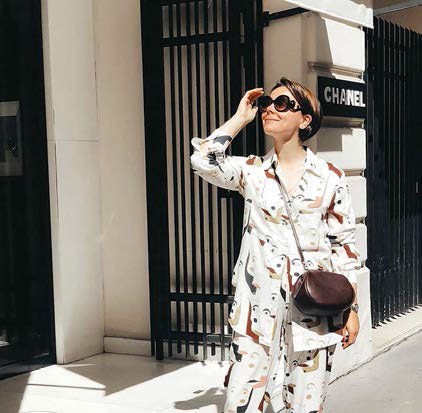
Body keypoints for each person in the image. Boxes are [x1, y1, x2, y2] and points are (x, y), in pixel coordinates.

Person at [190, 77, 361, 413]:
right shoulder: (252, 171)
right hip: (256, 310)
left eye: (282, 104)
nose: (269, 109)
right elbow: (203, 160)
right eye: (268, 102)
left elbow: (344, 246)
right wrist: (240, 118)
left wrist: (351, 309)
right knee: (241, 401)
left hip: (313, 309)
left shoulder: (330, 177)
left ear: (305, 119)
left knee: (306, 403)